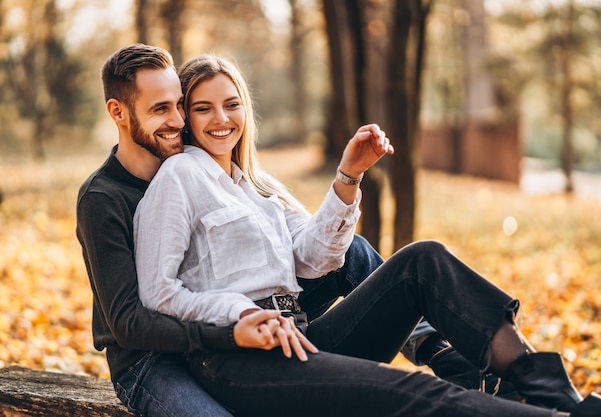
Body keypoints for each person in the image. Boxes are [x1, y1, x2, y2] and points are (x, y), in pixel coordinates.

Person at [133, 52, 601, 417]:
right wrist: (239, 311)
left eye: (231, 104)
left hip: (305, 338)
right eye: (203, 109)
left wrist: (348, 177)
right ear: (187, 119)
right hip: (241, 361)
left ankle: (553, 394)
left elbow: (315, 260)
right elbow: (158, 293)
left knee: (423, 259)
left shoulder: (258, 188)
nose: (221, 119)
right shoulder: (181, 179)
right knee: (417, 395)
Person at [75, 43, 491, 417]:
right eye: (162, 109)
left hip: (226, 324)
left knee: (358, 252)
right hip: (150, 359)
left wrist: (347, 178)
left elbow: (310, 254)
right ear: (118, 112)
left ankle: (436, 348)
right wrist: (233, 328)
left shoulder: (213, 175)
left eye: (179, 106)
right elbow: (131, 321)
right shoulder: (105, 197)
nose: (178, 120)